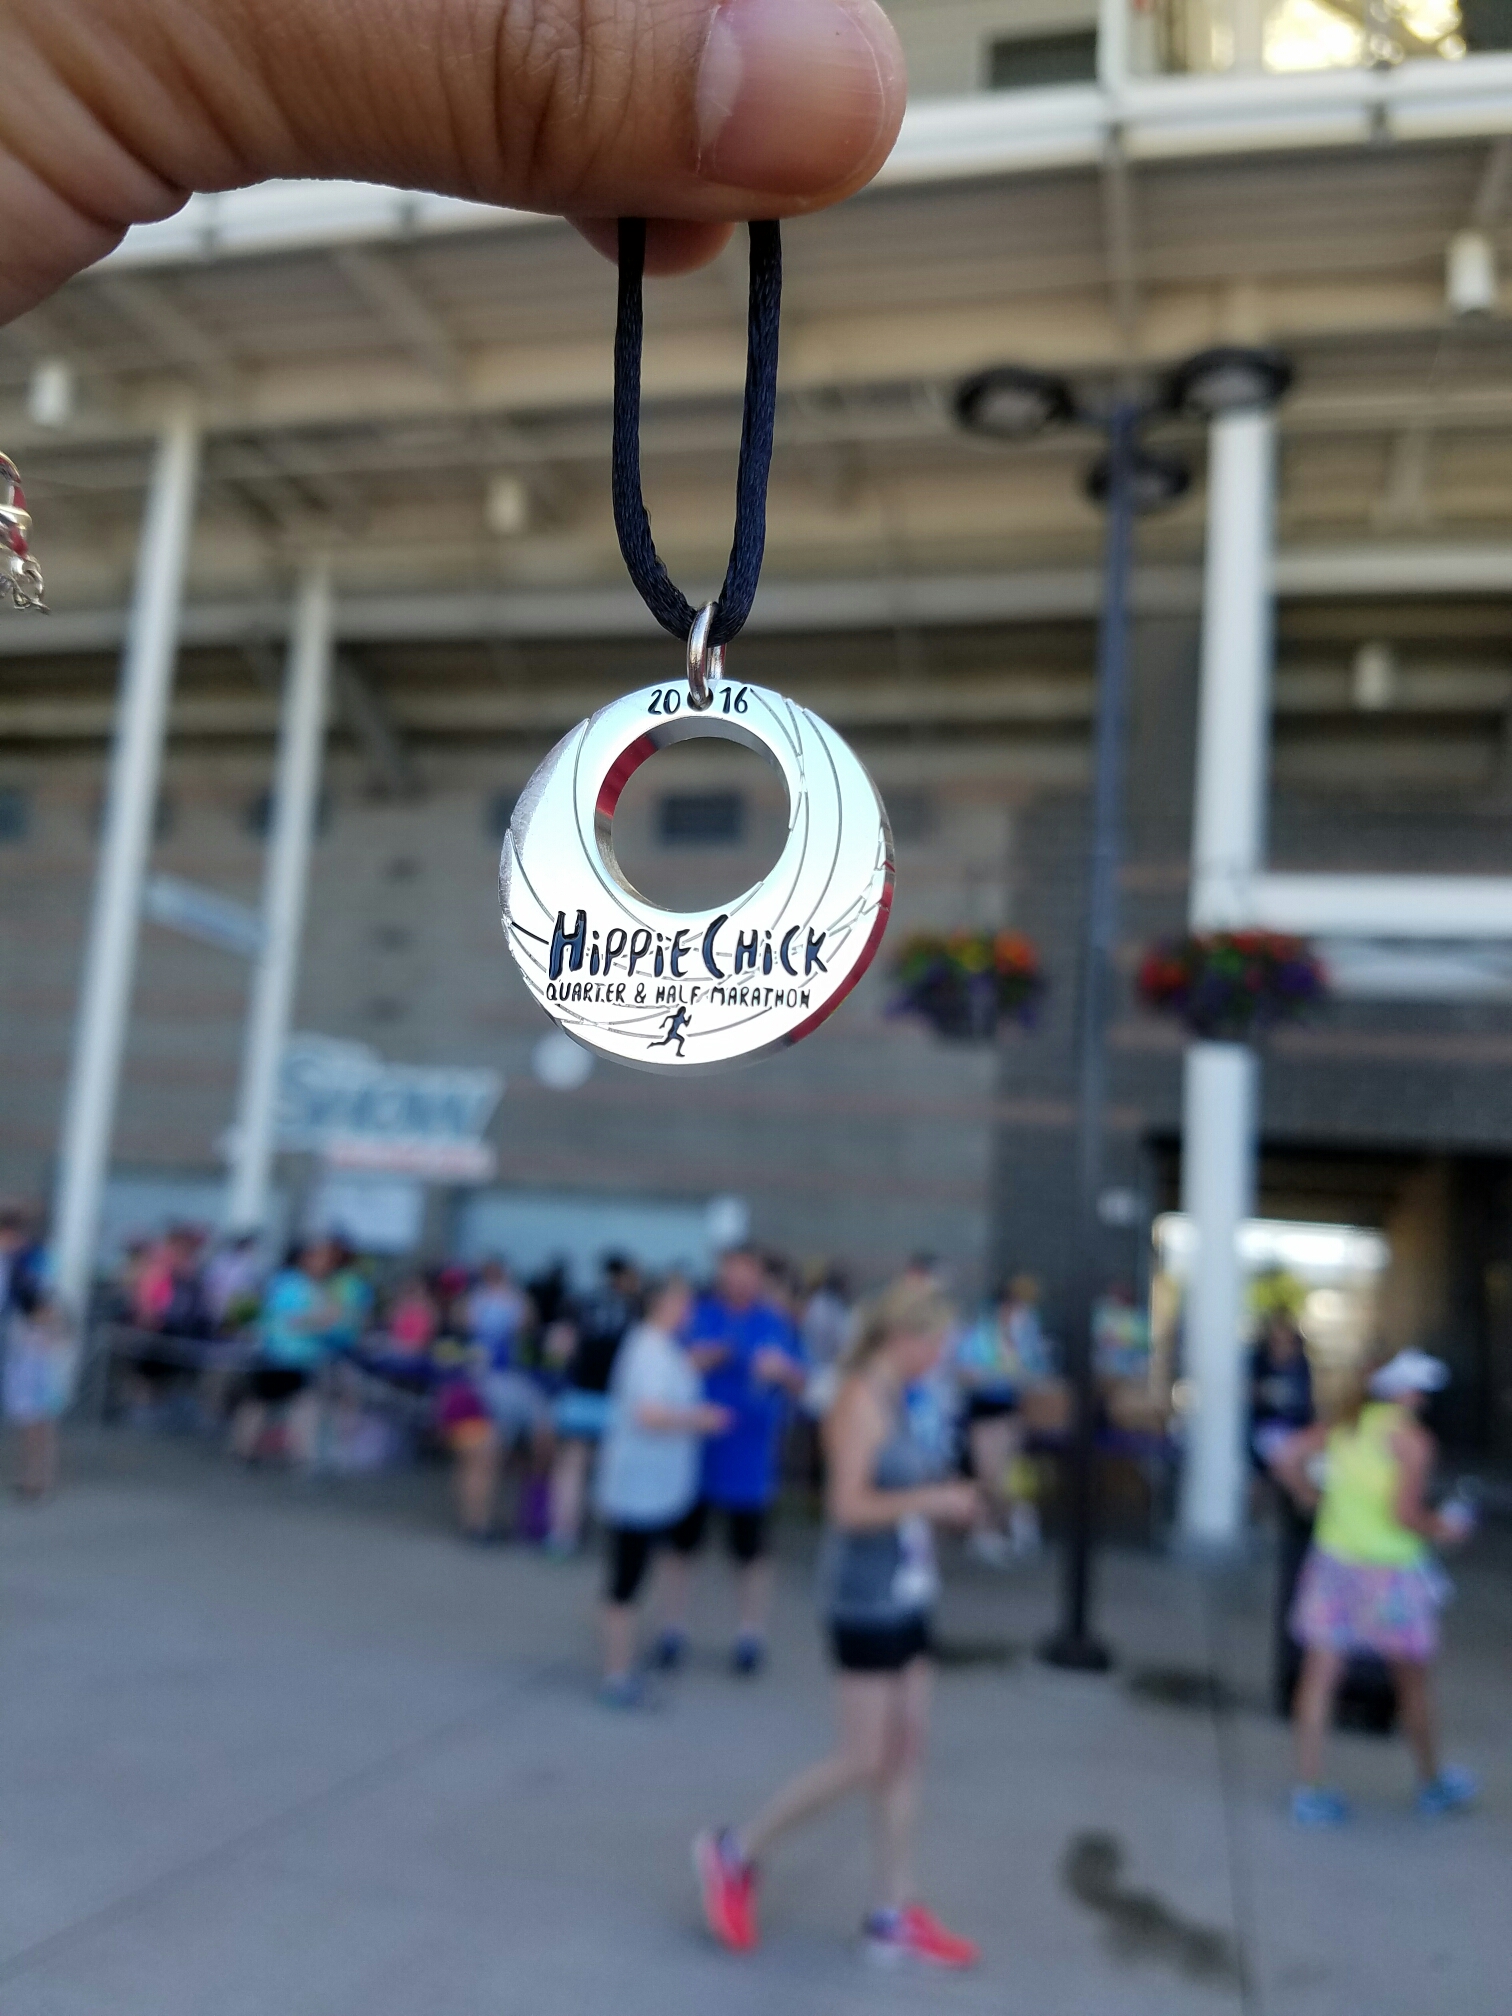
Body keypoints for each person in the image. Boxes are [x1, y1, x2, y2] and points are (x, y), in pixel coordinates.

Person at [694, 1276, 983, 1966]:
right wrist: (933, 1500)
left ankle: (894, 1910)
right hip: (864, 1598)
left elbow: (897, 1490)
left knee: (906, 1749)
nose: (942, 1356)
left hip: (908, 1590)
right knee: (863, 1757)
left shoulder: (899, 1395)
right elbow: (848, 1509)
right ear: (903, 1337)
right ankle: (734, 1851)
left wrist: (939, 1501)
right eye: (936, 1343)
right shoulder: (857, 1400)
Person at [1271, 1347, 1478, 1827]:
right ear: (1404, 1392)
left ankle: (1309, 1788)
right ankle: (1431, 1782)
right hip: (1392, 1576)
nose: (1423, 1398)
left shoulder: (1343, 1427)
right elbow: (1403, 1515)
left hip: (1335, 1566)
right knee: (1412, 1684)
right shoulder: (1413, 1442)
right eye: (1419, 1389)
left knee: (1319, 1677)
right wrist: (1446, 1528)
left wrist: (1309, 1496)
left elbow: (1286, 1456)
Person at [654, 1246, 806, 1675]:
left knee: (751, 1554)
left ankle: (749, 1634)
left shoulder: (775, 1323)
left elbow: (804, 1383)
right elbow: (661, 1368)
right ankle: (672, 1629)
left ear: (759, 1277)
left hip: (750, 1461)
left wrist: (784, 1372)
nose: (739, 1280)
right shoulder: (697, 1315)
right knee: (680, 1548)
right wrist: (699, 1359)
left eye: (747, 1272)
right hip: (694, 1455)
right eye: (731, 1271)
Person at [595, 1276, 731, 1706]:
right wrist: (701, 1419)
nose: (690, 1311)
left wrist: (698, 1363)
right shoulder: (649, 1351)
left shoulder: (662, 1348)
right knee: (626, 1580)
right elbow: (649, 1414)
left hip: (657, 1486)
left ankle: (629, 1660)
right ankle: (616, 1674)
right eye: (684, 1303)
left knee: (641, 1573)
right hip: (637, 1487)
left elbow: (672, 1378)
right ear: (664, 1305)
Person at [546, 1255, 641, 1554]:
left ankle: (563, 1534)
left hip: (581, 1394)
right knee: (613, 1468)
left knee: (572, 1466)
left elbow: (558, 1348)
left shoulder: (581, 1303)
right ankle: (617, 1534)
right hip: (617, 1399)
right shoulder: (635, 1308)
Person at [230, 1239, 343, 1464]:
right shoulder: (289, 1283)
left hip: (301, 1360)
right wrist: (323, 1319)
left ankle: (300, 1455)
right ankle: (244, 1449)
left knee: (302, 1405)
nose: (325, 1264)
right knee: (259, 1403)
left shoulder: (314, 1286)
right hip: (277, 1356)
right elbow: (290, 1319)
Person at [4, 1275, 78, 1498]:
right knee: (31, 1438)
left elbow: (63, 1342)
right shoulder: (24, 1330)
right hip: (29, 1391)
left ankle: (41, 1480)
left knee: (43, 1436)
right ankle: (30, 1478)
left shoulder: (43, 1332)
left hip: (43, 1391)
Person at [1249, 1308, 1314, 1468]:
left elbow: (1307, 1404)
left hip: (1296, 1431)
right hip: (1264, 1430)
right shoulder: (1258, 1363)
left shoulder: (1301, 1365)